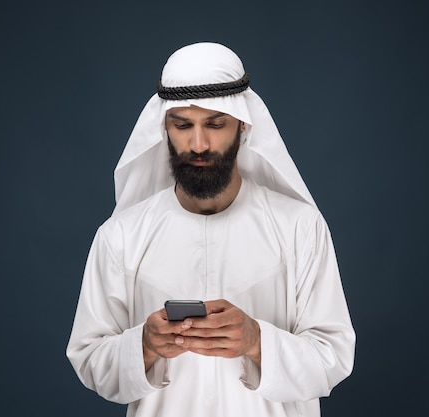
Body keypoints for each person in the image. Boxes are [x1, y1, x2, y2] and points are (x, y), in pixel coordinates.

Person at [67, 42, 355, 417]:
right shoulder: (121, 236)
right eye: (182, 125)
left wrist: (256, 341)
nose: (198, 144)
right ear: (164, 129)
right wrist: (145, 344)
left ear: (243, 126)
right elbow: (89, 359)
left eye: (216, 124)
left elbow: (333, 357)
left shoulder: (299, 227)